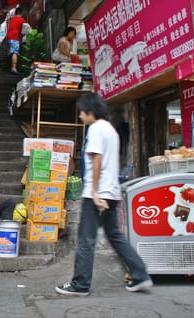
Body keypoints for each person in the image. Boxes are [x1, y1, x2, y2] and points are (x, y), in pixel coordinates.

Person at [55, 93, 153, 297]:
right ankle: (140, 274)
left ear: (90, 111)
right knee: (115, 235)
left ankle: (80, 284)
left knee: (85, 239)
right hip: (112, 191)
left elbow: (97, 158)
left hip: (97, 193)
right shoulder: (111, 130)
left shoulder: (97, 129)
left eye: (82, 112)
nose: (81, 116)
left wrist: (94, 191)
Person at [5, 7, 26, 74]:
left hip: (8, 38)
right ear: (21, 13)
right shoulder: (22, 20)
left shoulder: (12, 19)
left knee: (11, 53)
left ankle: (10, 67)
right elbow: (24, 31)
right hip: (15, 38)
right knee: (15, 53)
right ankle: (13, 68)